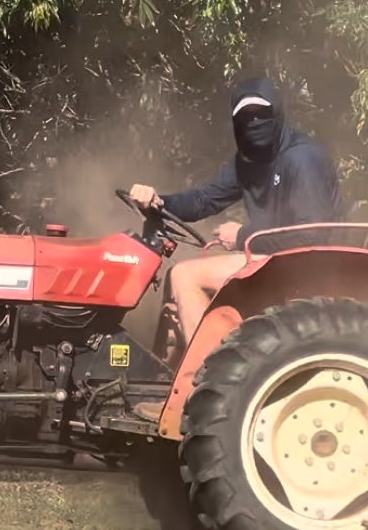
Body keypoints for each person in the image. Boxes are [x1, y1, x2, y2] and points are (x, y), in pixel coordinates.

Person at [129, 77, 346, 346]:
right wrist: (159, 202)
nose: (254, 123)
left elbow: (311, 236)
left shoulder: (301, 158)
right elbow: (204, 199)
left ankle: (206, 378)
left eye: (261, 114)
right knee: (175, 307)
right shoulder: (251, 162)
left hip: (308, 270)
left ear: (277, 114)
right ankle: (170, 379)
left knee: (184, 275)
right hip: (274, 261)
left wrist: (242, 236)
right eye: (245, 118)